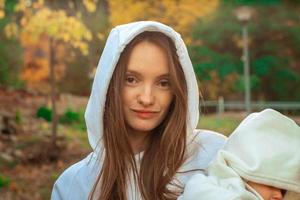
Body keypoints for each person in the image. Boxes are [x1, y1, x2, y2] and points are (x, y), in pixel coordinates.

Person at [51, 21, 226, 200]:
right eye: (131, 79)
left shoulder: (213, 156)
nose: (146, 98)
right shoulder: (73, 185)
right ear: (109, 83)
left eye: (163, 83)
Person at [179, 108, 300, 200]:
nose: (278, 195)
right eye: (271, 184)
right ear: (245, 170)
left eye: (284, 191)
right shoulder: (205, 189)